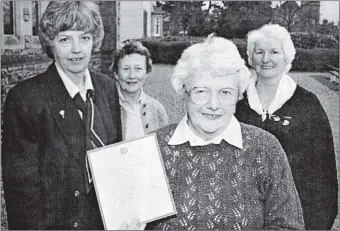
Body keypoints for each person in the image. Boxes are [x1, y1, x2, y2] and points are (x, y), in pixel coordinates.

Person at [145, 34, 304, 230]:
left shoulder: (265, 148)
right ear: (184, 93)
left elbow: (288, 226)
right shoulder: (152, 148)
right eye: (201, 91)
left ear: (239, 96)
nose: (213, 105)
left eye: (225, 92)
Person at [2, 1, 122, 229]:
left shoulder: (106, 88)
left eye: (84, 37)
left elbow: (115, 159)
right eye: (65, 39)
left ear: (94, 40)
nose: (76, 49)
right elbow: (21, 195)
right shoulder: (25, 99)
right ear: (51, 43)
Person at [235, 24, 338, 230]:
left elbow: (324, 173)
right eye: (259, 52)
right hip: (243, 215)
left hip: (296, 215)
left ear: (286, 57)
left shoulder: (308, 104)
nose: (266, 59)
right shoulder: (235, 102)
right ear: (250, 57)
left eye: (274, 52)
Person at [110, 40, 168, 141]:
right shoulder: (105, 108)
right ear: (116, 74)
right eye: (126, 69)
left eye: (138, 69)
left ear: (147, 72)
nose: (132, 76)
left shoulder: (158, 109)